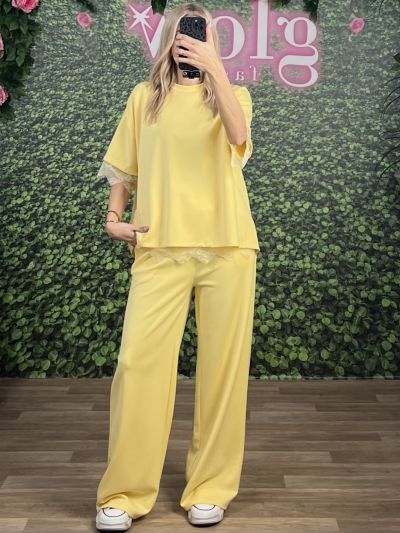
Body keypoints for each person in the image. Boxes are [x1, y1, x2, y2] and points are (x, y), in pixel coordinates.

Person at [95, 2, 259, 531]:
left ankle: (211, 488)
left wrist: (216, 70)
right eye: (186, 33)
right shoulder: (143, 98)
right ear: (168, 38)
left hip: (228, 248)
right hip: (159, 247)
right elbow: (124, 167)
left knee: (222, 375)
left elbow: (238, 138)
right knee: (137, 367)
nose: (193, 41)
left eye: (202, 34)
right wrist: (114, 218)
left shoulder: (235, 95)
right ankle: (124, 493)